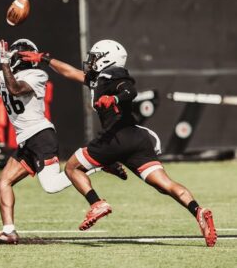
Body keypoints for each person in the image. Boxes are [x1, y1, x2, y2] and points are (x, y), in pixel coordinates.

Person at [19, 39, 217, 247]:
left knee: (72, 167)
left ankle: (97, 202)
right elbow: (69, 72)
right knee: (164, 184)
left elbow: (130, 91)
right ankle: (198, 211)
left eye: (95, 57)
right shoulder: (98, 79)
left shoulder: (112, 74)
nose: (90, 61)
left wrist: (114, 99)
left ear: (106, 59)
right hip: (135, 139)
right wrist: (45, 59)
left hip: (114, 139)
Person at [0, 28, 127, 244]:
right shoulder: (6, 73)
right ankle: (9, 231)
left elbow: (15, 89)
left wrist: (5, 63)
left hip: (40, 136)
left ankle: (98, 165)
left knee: (52, 186)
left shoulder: (36, 75)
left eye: (13, 56)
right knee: (3, 182)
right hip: (26, 140)